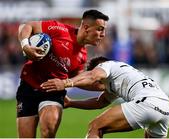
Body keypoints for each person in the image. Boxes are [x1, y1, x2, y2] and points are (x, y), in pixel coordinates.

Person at [17, 10, 109, 138]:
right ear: (86, 28)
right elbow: (28, 26)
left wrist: (103, 86)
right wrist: (25, 46)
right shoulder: (59, 29)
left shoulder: (83, 55)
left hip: (54, 91)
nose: (103, 34)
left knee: (48, 129)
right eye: (100, 29)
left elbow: (76, 80)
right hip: (28, 86)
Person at [41, 56, 169, 138]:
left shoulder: (106, 65)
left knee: (95, 127)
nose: (96, 84)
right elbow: (100, 102)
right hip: (166, 108)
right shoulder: (119, 77)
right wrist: (71, 103)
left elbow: (93, 76)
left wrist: (65, 83)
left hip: (146, 102)